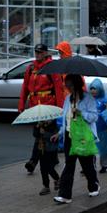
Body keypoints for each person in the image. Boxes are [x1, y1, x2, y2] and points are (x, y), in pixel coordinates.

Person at [19, 44, 65, 175]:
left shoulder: (52, 68)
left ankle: (33, 162)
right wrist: (21, 104)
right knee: (41, 134)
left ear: (46, 53)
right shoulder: (31, 68)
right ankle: (53, 158)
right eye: (36, 52)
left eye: (40, 52)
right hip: (35, 107)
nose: (37, 54)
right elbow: (25, 88)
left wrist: (59, 109)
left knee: (42, 135)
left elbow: (58, 90)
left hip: (49, 108)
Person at [54, 74, 100, 204]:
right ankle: (65, 195)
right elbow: (65, 119)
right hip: (70, 136)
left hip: (83, 136)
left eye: (70, 85)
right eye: (66, 85)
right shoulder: (68, 99)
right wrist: (60, 133)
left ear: (76, 84)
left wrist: (81, 113)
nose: (67, 88)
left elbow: (94, 117)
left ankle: (94, 185)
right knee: (69, 165)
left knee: (86, 165)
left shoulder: (88, 98)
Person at [90, 78, 107, 174]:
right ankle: (90, 165)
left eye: (95, 88)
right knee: (90, 147)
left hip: (102, 128)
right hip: (91, 128)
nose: (93, 91)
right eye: (91, 89)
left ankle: (105, 165)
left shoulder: (105, 99)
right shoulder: (88, 100)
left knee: (103, 148)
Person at [34, 119, 60, 195]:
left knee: (50, 167)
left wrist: (44, 133)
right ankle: (46, 186)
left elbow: (54, 137)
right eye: (45, 119)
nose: (47, 120)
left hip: (52, 150)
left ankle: (57, 179)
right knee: (43, 168)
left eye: (49, 119)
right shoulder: (40, 124)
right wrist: (37, 127)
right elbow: (35, 135)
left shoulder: (55, 126)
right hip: (42, 149)